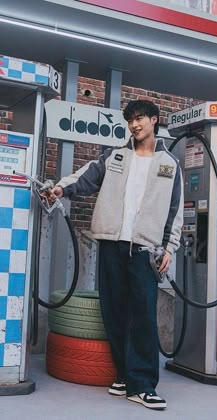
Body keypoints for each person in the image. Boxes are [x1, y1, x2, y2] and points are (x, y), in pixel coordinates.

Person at [49, 100, 184, 410]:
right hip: (111, 243)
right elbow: (85, 177)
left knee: (143, 317)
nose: (135, 125)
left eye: (140, 119)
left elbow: (174, 211)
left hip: (146, 249)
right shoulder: (115, 156)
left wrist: (170, 248)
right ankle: (125, 375)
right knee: (115, 312)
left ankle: (144, 385)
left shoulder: (169, 163)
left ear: (154, 120)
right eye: (130, 120)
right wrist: (61, 188)